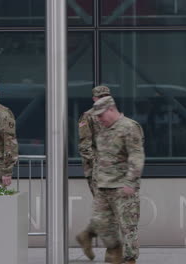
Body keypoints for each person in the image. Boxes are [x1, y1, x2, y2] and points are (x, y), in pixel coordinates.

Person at [91, 96, 145, 264]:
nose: (99, 119)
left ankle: (129, 260)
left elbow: (136, 156)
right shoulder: (103, 128)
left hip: (122, 187)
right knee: (104, 225)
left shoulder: (129, 127)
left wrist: (130, 182)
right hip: (103, 186)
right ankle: (114, 258)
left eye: (101, 115)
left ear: (111, 109)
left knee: (127, 227)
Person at [76, 85, 112, 261]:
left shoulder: (112, 115)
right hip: (97, 170)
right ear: (94, 99)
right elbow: (84, 145)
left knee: (108, 209)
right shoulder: (88, 116)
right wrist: (98, 164)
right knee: (106, 208)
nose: (103, 98)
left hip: (113, 170)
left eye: (106, 95)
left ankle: (87, 235)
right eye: (100, 96)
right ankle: (112, 251)